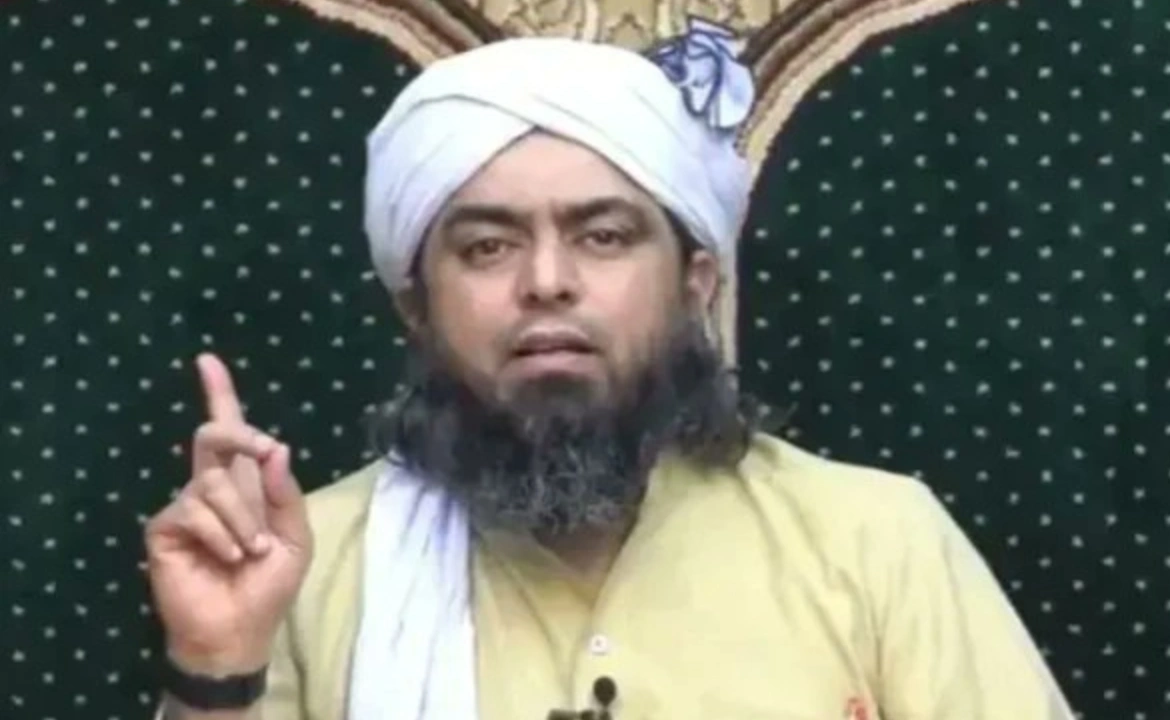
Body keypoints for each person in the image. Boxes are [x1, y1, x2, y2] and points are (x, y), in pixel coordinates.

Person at [143, 19, 1076, 720]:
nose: (547, 281)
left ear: (694, 283)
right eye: (487, 247)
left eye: (603, 236)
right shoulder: (303, 567)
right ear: (417, 306)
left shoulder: (877, 541)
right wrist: (215, 670)